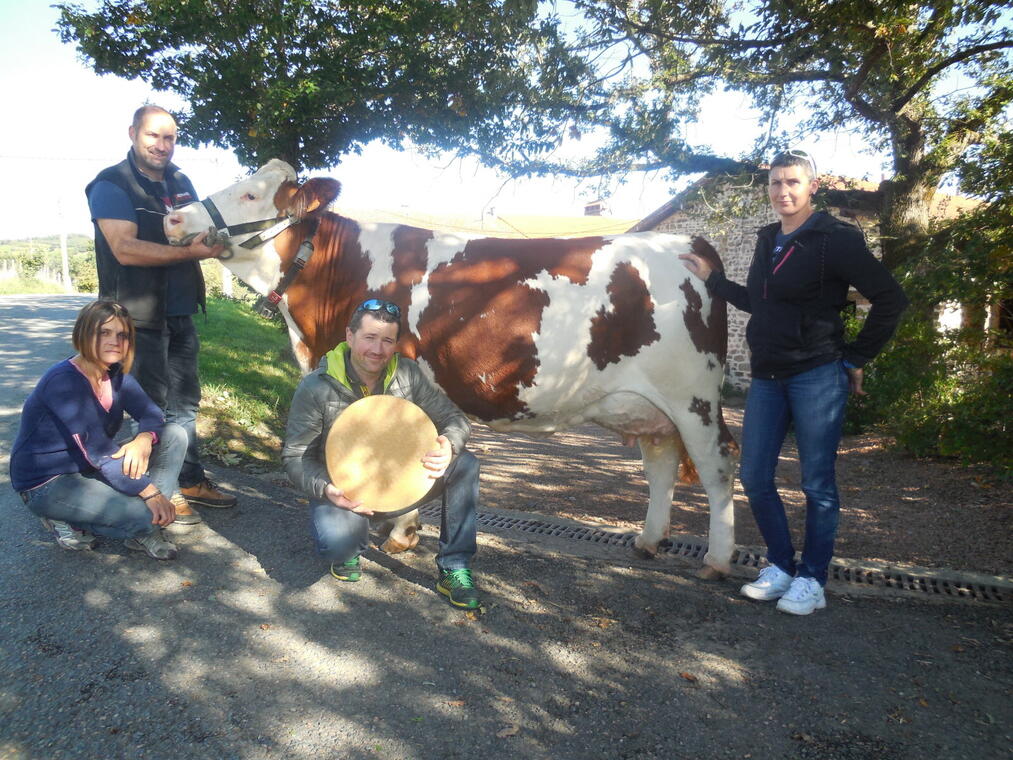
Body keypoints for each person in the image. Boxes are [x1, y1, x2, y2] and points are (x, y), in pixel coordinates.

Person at [679, 149, 908, 615]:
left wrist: (856, 357)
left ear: (812, 187)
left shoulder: (834, 239)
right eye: (776, 183)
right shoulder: (769, 239)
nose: (783, 191)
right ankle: (781, 566)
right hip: (768, 377)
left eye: (793, 183)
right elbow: (761, 303)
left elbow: (891, 299)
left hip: (817, 375)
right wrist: (714, 281)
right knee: (755, 476)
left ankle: (812, 579)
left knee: (817, 484)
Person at [86, 104, 236, 523]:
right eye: (154, 135)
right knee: (152, 408)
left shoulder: (180, 180)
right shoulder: (111, 184)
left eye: (169, 137)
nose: (162, 145)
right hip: (136, 316)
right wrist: (190, 252)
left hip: (180, 310)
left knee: (185, 404)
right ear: (133, 133)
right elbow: (124, 248)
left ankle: (188, 480)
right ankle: (155, 493)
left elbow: (194, 227)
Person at [283, 299, 482, 610]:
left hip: (401, 485)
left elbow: (455, 419)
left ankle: (454, 568)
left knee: (465, 464)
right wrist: (326, 489)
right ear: (350, 337)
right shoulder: (316, 387)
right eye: (369, 338)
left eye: (387, 340)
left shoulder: (407, 374)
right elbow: (295, 457)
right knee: (337, 545)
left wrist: (449, 444)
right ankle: (349, 546)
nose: (377, 349)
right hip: (345, 492)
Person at [10, 300, 186, 560]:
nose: (115, 341)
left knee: (174, 434)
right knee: (146, 515)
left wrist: (144, 438)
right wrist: (151, 492)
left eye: (122, 335)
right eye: (104, 332)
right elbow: (99, 451)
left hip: (88, 466)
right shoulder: (63, 382)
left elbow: (151, 414)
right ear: (84, 334)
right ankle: (64, 518)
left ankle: (149, 522)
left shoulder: (116, 375)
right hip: (48, 482)